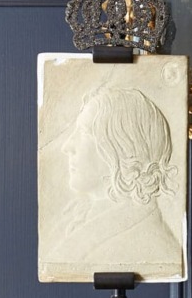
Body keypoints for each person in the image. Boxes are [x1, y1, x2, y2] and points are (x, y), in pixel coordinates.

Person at [48, 87, 182, 273]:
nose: (67, 146)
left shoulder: (153, 245)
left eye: (85, 133)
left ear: (123, 149)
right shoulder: (78, 217)